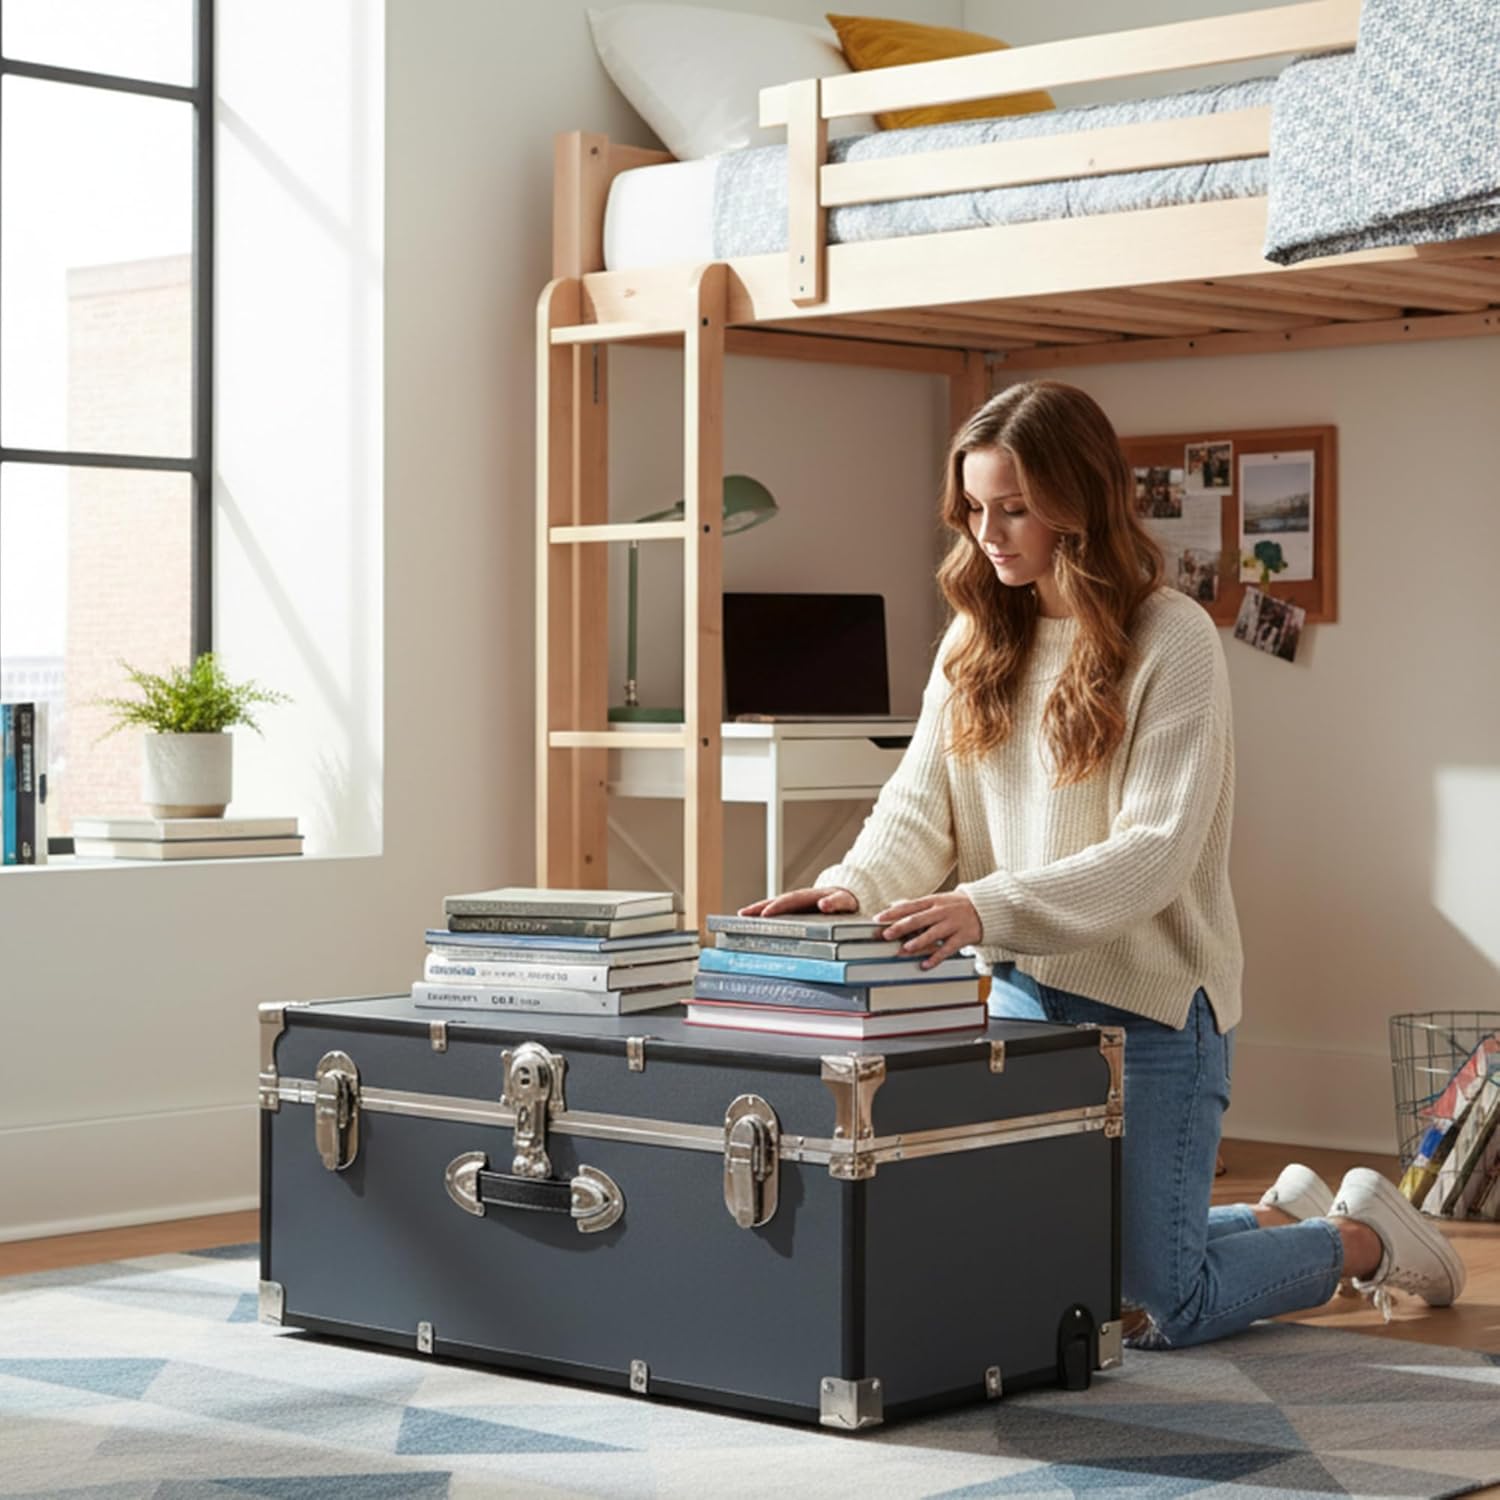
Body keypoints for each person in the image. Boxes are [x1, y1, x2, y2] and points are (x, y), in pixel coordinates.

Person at [739, 380, 1463, 1349]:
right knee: (1056, 1260)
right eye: (975, 509)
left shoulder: (1176, 640)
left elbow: (1151, 858)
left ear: (1078, 505)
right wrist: (850, 889)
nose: (989, 534)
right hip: (1025, 1003)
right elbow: (920, 806)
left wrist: (981, 908)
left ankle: (1359, 1239)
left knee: (1166, 1308)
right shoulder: (973, 636)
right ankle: (1273, 1217)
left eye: (1015, 508)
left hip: (1156, 1006)